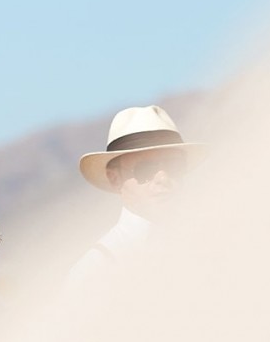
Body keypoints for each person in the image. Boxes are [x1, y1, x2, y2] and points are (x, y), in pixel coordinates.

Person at [67, 105, 205, 288]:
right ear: (114, 178)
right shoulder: (95, 269)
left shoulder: (207, 244)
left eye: (174, 165)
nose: (163, 177)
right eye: (145, 169)